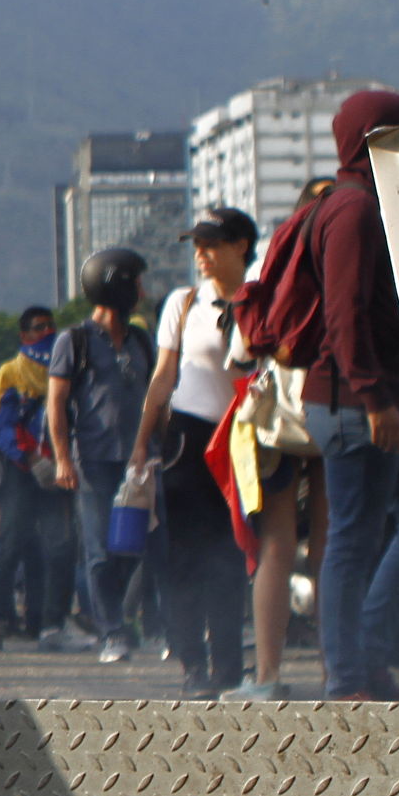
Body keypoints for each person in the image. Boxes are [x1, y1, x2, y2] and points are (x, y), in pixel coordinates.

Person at [264, 90, 399, 700]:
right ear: (375, 140)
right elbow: (345, 316)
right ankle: (349, 675)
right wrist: (374, 401)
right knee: (350, 539)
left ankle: (367, 656)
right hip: (353, 402)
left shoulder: (368, 204)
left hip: (374, 398)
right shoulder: (354, 212)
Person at [132, 207, 258, 694]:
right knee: (184, 555)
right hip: (188, 435)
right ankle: (192, 665)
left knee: (230, 555)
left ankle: (229, 667)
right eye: (197, 246)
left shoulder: (259, 300)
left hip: (240, 438)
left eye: (211, 245)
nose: (201, 255)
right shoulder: (184, 303)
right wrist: (142, 441)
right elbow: (164, 375)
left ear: (240, 247)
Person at [47, 247, 158, 666]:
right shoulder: (73, 340)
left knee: (132, 547)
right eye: (137, 282)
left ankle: (115, 619)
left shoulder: (140, 340)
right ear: (117, 285)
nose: (143, 291)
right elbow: (56, 403)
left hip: (138, 464)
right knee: (98, 550)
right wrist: (62, 458)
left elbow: (155, 394)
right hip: (92, 461)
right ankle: (112, 631)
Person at [0, 307, 76, 650]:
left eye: (51, 326)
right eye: (38, 328)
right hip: (20, 471)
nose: (46, 332)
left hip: (59, 470)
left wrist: (62, 460)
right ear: (25, 335)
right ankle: (1, 619)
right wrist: (31, 457)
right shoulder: (10, 372)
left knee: (59, 547)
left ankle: (48, 623)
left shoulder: (68, 368)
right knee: (12, 546)